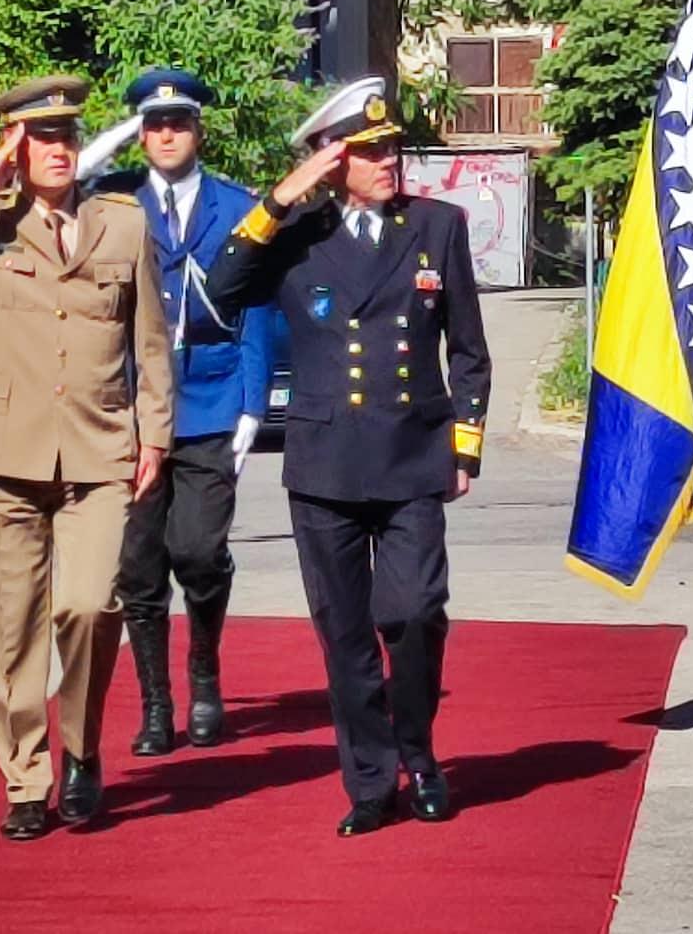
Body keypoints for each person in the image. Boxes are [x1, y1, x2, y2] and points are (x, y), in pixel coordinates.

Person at [0, 75, 174, 842]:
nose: (58, 151)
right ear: (14, 146)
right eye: (40, 139)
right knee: (13, 629)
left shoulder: (122, 225)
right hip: (5, 456)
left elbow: (150, 340)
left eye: (67, 138)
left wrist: (157, 435)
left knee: (89, 606)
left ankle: (81, 752)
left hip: (99, 450)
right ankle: (25, 777)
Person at [205, 75, 491, 836]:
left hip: (412, 456)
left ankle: (420, 755)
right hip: (326, 463)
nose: (388, 160)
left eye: (392, 146)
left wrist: (466, 447)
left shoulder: (438, 227)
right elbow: (222, 288)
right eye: (369, 152)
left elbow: (468, 350)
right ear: (334, 163)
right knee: (344, 634)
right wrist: (283, 196)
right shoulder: (300, 239)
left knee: (415, 613)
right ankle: (370, 782)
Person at [88, 67, 276, 755]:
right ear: (140, 135)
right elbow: (57, 189)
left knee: (197, 551)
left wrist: (254, 400)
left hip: (212, 398)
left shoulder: (235, 206)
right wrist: (108, 142)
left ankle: (204, 672)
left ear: (199, 130)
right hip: (130, 407)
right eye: (153, 125)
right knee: (137, 567)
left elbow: (254, 301)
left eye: (178, 123)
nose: (166, 135)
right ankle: (156, 706)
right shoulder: (114, 203)